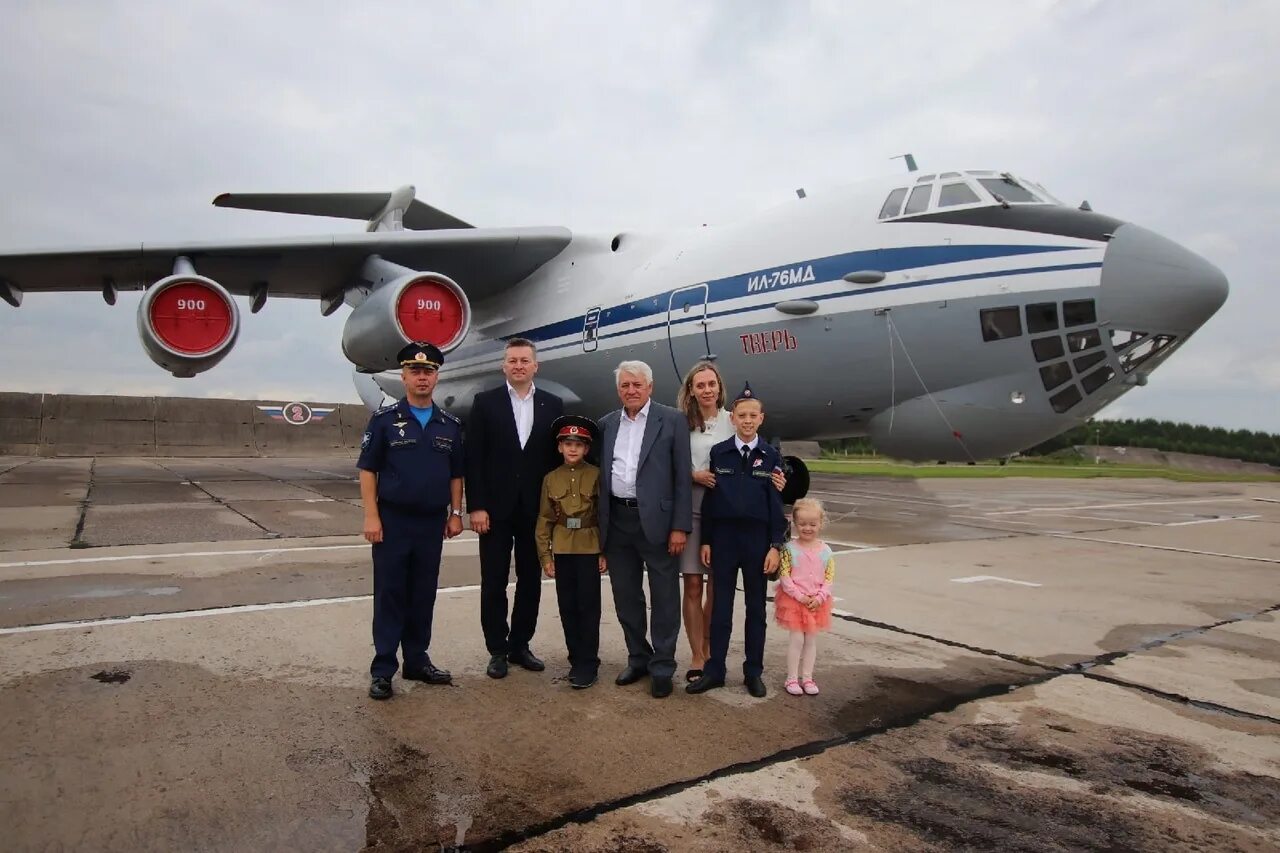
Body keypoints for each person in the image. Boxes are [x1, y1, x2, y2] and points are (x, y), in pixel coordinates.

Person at [358, 341, 465, 700]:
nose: (423, 377)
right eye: (416, 371)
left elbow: (455, 474)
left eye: (429, 371)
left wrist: (455, 513)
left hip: (431, 524)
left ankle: (417, 660)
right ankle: (383, 668)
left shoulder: (448, 425)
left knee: (423, 594)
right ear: (403, 376)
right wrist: (372, 516)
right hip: (392, 521)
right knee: (390, 594)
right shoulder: (385, 421)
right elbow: (368, 470)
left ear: (437, 377)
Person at [676, 361, 786, 682]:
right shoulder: (681, 423)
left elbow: (764, 472)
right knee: (694, 584)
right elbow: (667, 463)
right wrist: (693, 475)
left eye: (712, 384)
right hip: (694, 505)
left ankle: (714, 653)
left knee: (718, 591)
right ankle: (699, 655)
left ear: (720, 388)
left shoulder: (734, 417)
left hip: (724, 512)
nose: (707, 390)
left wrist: (778, 480)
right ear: (691, 390)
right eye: (700, 385)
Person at [465, 338, 564, 679]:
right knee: (493, 580)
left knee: (530, 579)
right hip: (493, 510)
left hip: (535, 510)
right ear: (503, 366)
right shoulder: (485, 403)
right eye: (513, 360)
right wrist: (475, 506)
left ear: (536, 366)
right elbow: (474, 459)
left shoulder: (553, 404)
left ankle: (520, 644)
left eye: (525, 360)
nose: (519, 365)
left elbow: (555, 460)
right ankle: (497, 649)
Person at [597, 360, 693, 699]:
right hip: (618, 523)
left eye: (637, 384)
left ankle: (663, 666)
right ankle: (638, 657)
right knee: (627, 599)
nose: (631, 390)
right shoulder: (606, 424)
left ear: (650, 387)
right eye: (625, 385)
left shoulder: (672, 420)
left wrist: (680, 526)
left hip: (659, 524)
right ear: (618, 389)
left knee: (665, 598)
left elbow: (683, 476)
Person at [535, 415, 606, 689]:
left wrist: (604, 552)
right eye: (567, 443)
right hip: (563, 549)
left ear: (587, 449)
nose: (573, 448)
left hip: (589, 547)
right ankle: (576, 658)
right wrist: (546, 556)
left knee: (589, 607)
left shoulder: (596, 475)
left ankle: (589, 662)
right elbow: (544, 519)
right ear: (559, 448)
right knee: (568, 607)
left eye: (579, 444)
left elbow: (603, 516)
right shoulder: (551, 479)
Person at [776, 498, 835, 696]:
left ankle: (807, 678)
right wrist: (800, 597)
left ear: (820, 524)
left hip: (817, 602)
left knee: (811, 640)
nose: (807, 528)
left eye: (812, 524)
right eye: (802, 524)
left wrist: (819, 597)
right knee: (797, 640)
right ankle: (792, 678)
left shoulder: (826, 551)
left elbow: (829, 578)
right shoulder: (789, 549)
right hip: (794, 601)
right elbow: (785, 577)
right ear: (794, 523)